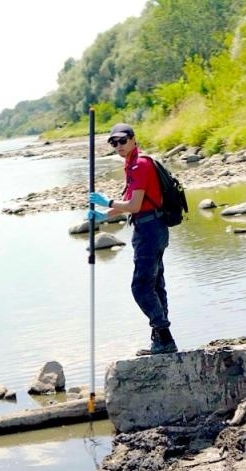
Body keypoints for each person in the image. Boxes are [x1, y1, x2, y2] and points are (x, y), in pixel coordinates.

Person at [89, 123, 178, 356]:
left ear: (133, 139)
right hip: (151, 227)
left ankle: (163, 336)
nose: (118, 145)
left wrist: (107, 202)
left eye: (122, 140)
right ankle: (162, 340)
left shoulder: (140, 165)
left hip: (149, 230)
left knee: (141, 287)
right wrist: (104, 215)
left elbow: (135, 205)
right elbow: (131, 204)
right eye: (113, 142)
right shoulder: (132, 164)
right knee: (155, 285)